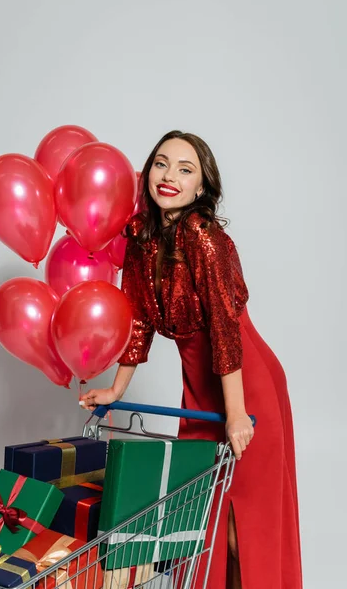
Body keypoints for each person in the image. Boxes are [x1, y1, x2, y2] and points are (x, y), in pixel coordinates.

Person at [80, 130, 302, 589]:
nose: (170, 176)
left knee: (247, 527)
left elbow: (224, 328)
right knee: (206, 519)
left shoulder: (204, 237)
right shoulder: (140, 237)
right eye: (161, 164)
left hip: (244, 381)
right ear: (148, 173)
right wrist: (116, 389)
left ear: (201, 187)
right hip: (198, 391)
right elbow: (137, 317)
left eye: (185, 169)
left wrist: (237, 413)